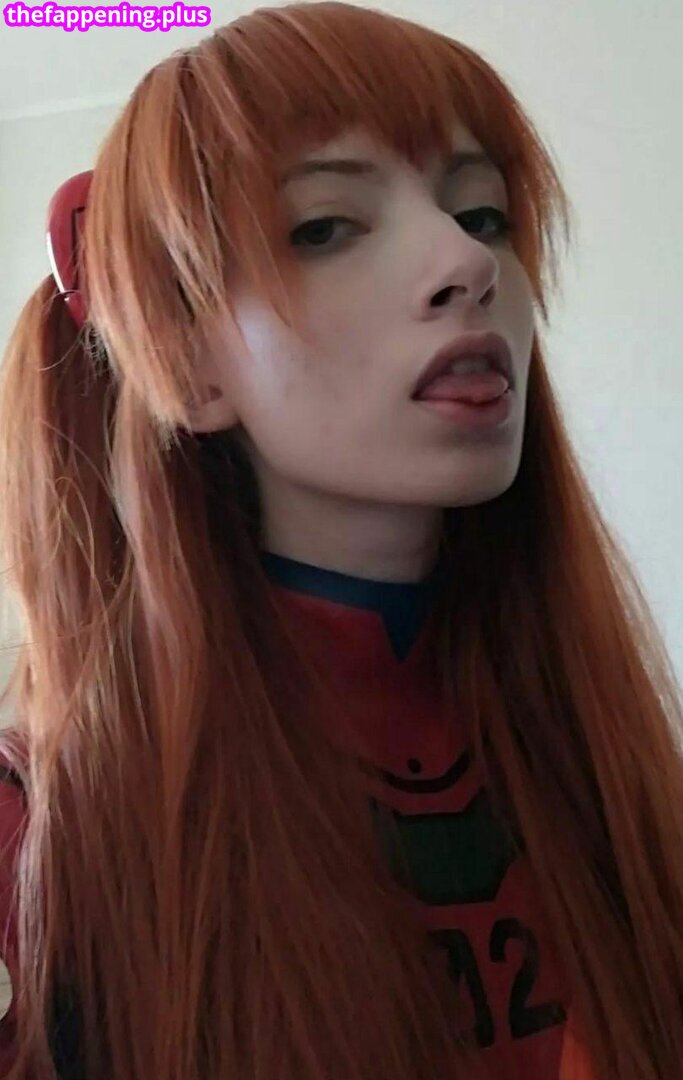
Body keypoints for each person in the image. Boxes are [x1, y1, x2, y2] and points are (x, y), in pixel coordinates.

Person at [0, 2, 681, 1077]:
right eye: (323, 227)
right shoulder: (45, 849)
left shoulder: (615, 770)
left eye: (482, 212)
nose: (465, 260)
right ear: (187, 360)